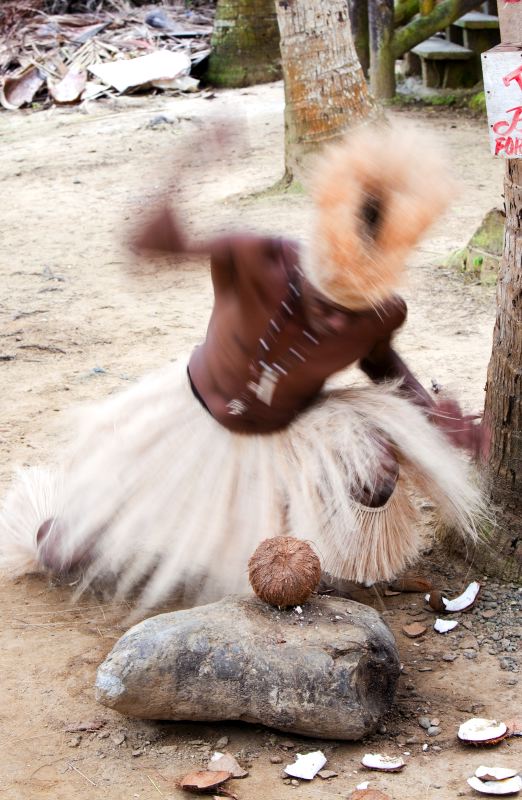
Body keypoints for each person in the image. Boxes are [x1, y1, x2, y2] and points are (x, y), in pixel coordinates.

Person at [0, 124, 486, 612]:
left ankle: (315, 560)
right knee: (63, 553)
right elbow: (149, 245)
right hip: (193, 418)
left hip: (296, 427)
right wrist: (185, 165)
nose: (338, 321)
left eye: (350, 312)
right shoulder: (256, 256)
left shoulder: (380, 312)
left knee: (374, 463)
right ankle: (70, 508)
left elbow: (385, 367)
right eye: (326, 305)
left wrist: (438, 419)